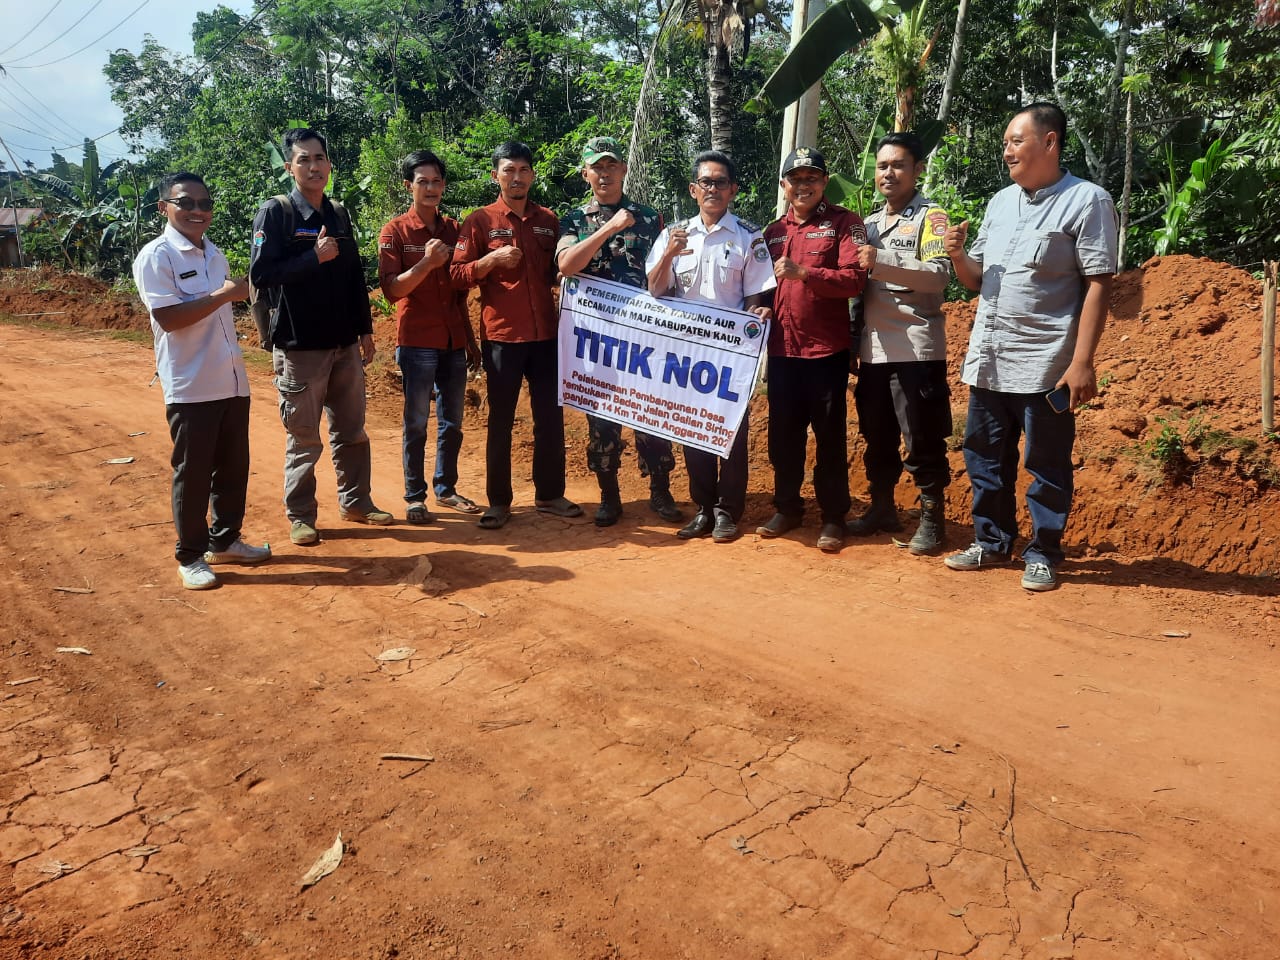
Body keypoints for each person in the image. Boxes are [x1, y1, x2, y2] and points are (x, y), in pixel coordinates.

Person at [942, 102, 1117, 592]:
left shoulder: (1088, 200)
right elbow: (975, 280)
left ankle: (1043, 552)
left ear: (1050, 142)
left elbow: (1099, 283)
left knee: (1046, 464)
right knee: (984, 457)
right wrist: (957, 254)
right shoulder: (1000, 203)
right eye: (1005, 143)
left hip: (1047, 365)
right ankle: (991, 542)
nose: (1007, 151)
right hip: (990, 361)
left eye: (1015, 141)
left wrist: (1082, 362)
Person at [250, 127, 393, 546]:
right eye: (304, 160)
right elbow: (260, 274)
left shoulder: (338, 213)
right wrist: (312, 257)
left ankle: (356, 502)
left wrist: (365, 329)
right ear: (289, 167)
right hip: (300, 347)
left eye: (319, 158)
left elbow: (353, 277)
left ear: (329, 164)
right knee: (304, 437)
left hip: (344, 342)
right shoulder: (276, 213)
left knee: (352, 431)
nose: (313, 167)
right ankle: (301, 516)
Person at [133, 172, 271, 590]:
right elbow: (169, 318)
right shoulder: (157, 257)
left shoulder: (214, 255)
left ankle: (225, 540)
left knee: (233, 468)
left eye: (204, 203)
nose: (197, 210)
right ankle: (190, 555)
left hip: (231, 380)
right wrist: (225, 294)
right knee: (192, 473)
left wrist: (226, 295)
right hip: (191, 385)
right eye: (186, 202)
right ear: (164, 207)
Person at [646, 150, 776, 543]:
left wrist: (755, 320)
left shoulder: (749, 236)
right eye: (706, 182)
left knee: (731, 433)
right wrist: (670, 254)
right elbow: (656, 289)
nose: (713, 189)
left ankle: (727, 512)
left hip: (730, 355)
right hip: (685, 353)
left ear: (733, 190)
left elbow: (756, 297)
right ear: (693, 189)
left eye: (721, 182)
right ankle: (703, 508)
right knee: (692, 429)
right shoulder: (674, 234)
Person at [451, 141, 582, 529]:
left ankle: (550, 494)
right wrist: (490, 260)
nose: (517, 177)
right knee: (501, 422)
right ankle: (499, 502)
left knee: (550, 418)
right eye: (509, 170)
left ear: (533, 175)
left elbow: (557, 271)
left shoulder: (548, 220)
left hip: (545, 337)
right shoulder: (479, 221)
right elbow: (456, 274)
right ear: (496, 176)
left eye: (524, 170)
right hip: (502, 338)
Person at [556, 135, 683, 527]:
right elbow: (567, 265)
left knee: (651, 416)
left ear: (624, 169)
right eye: (597, 167)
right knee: (602, 423)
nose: (605, 173)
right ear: (585, 174)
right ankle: (609, 496)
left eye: (611, 165)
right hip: (596, 343)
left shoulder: (651, 217)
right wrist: (609, 228)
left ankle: (660, 491)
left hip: (644, 340)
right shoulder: (574, 220)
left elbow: (662, 274)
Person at [847, 131, 954, 555]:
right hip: (874, 350)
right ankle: (882, 508)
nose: (888, 173)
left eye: (898, 165)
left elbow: (939, 275)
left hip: (915, 348)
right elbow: (858, 291)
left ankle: (932, 520)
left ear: (917, 170)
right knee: (877, 436)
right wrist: (852, 341)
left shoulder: (931, 217)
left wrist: (883, 259)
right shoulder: (869, 224)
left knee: (923, 437)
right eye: (882, 166)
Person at [758, 147, 866, 552]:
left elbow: (855, 280)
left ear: (824, 182)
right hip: (782, 352)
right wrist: (760, 309)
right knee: (783, 438)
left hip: (825, 353)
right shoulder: (772, 232)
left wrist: (805, 273)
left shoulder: (844, 224)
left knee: (829, 439)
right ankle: (787, 509)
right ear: (783, 184)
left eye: (812, 178)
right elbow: (762, 289)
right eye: (796, 178)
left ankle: (834, 517)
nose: (804, 185)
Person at [378, 149, 481, 525]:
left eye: (437, 181)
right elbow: (392, 291)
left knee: (452, 422)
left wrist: (470, 339)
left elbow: (460, 291)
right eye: (423, 181)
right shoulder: (394, 231)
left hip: (453, 341)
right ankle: (414, 497)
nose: (431, 188)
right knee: (417, 422)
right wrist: (426, 262)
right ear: (409, 186)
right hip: (417, 341)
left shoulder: (455, 230)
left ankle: (446, 488)